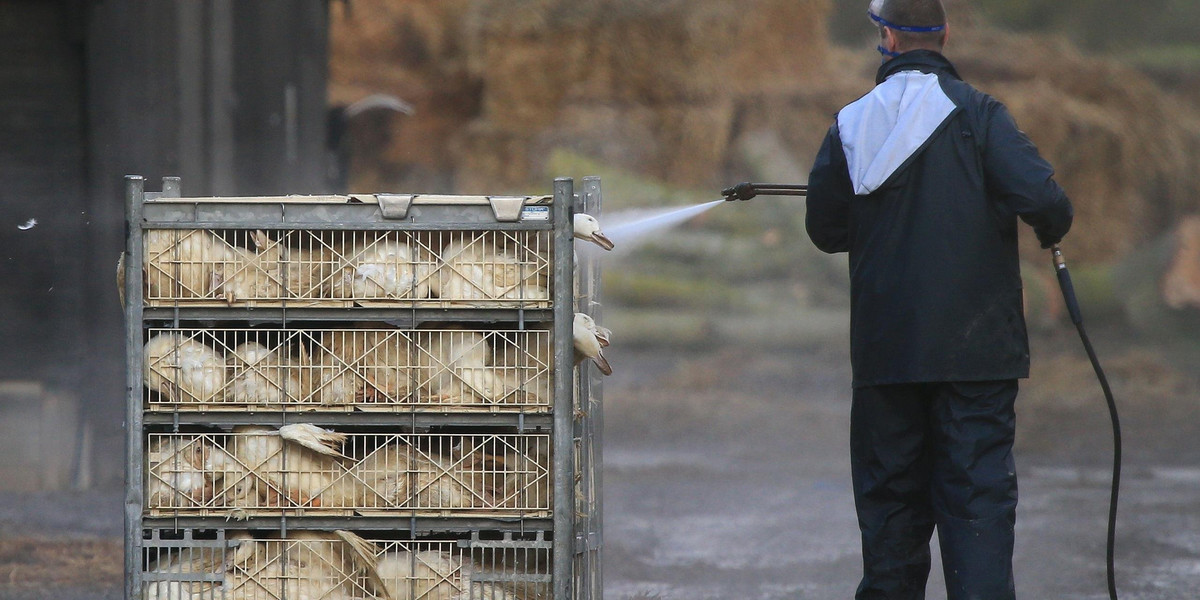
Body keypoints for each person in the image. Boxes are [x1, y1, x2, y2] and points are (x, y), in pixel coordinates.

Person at [804, 0, 1074, 598]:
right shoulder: (980, 114)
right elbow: (1047, 202)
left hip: (886, 359)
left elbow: (825, 231)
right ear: (945, 35)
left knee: (892, 522)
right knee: (976, 512)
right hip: (977, 359)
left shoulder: (850, 124)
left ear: (887, 37)